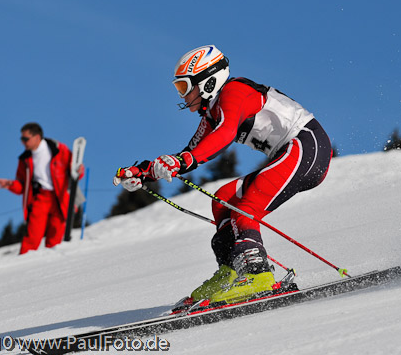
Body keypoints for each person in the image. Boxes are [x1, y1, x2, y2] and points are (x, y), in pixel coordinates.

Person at [113, 45, 332, 304]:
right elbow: (191, 152)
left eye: (185, 88)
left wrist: (181, 161)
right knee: (223, 198)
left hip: (306, 146)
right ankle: (231, 271)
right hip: (292, 152)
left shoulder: (233, 92)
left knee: (245, 208)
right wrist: (145, 173)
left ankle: (257, 275)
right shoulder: (212, 112)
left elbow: (225, 134)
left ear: (207, 82)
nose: (183, 97)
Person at [0, 123, 82, 254]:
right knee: (33, 236)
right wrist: (10, 184)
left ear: (37, 137)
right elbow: (22, 186)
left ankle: (52, 265)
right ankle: (23, 264)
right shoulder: (24, 159)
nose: (23, 142)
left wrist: (79, 170)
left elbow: (75, 171)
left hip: (60, 197)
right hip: (40, 198)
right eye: (21, 139)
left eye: (26, 139)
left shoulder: (58, 149)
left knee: (56, 236)